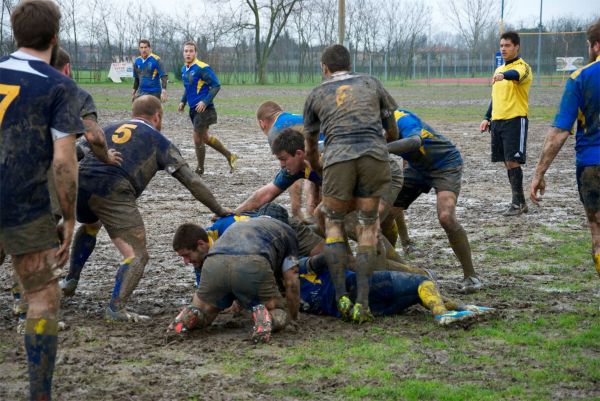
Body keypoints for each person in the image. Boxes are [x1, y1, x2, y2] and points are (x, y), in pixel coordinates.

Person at [59, 96, 232, 322]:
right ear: (157, 116)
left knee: (91, 224)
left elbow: (74, 152)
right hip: (113, 190)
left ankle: (71, 279)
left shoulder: (108, 129)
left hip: (78, 185)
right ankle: (116, 309)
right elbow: (192, 182)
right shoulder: (158, 140)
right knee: (137, 254)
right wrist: (219, 208)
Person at [0, 1, 84, 399]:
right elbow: (65, 162)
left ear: (15, 34)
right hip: (22, 203)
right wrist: (69, 216)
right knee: (41, 294)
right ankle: (39, 394)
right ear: (55, 38)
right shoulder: (57, 85)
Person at [303, 44, 399, 323]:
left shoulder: (317, 93)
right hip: (373, 156)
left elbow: (309, 147)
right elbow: (391, 130)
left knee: (332, 223)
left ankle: (342, 297)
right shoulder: (371, 82)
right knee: (368, 226)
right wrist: (377, 145)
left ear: (324, 68)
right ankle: (363, 304)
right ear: (350, 63)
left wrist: (321, 166)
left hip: (338, 159)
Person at [531, 19, 600, 283]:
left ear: (595, 45)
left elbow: (559, 133)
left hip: (592, 165)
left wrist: (539, 172)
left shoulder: (580, 78)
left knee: (597, 230)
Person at [388, 109, 482, 293]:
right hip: (417, 169)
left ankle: (471, 276)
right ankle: (385, 268)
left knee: (446, 217)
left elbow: (414, 142)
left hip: (445, 165)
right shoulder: (368, 124)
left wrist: (381, 148)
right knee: (385, 215)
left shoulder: (403, 118)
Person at [169, 218, 300, 343]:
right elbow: (291, 282)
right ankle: (268, 319)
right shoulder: (288, 233)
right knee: (278, 310)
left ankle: (189, 317)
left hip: (214, 262)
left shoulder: (239, 224)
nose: (185, 262)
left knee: (204, 309)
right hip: (252, 262)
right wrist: (293, 317)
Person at [297, 257, 492, 325]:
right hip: (359, 287)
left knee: (417, 294)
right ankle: (443, 315)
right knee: (421, 281)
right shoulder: (297, 265)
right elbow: (329, 257)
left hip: (355, 312)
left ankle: (464, 308)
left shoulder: (283, 291)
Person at [480, 31, 533, 216]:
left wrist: (505, 75)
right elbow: (495, 98)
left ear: (516, 47)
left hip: (515, 120)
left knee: (512, 161)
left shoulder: (522, 67)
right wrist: (487, 117)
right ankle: (520, 203)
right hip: (498, 122)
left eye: (507, 45)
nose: (503, 48)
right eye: (501, 45)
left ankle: (518, 204)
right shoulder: (498, 70)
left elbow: (515, 75)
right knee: (506, 162)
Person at [178, 41, 237, 175]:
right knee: (204, 137)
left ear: (195, 53)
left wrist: (204, 102)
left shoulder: (202, 67)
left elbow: (216, 85)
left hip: (205, 109)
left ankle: (200, 169)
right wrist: (182, 101)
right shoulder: (184, 69)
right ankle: (230, 156)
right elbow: (188, 88)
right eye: (186, 51)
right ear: (183, 53)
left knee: (197, 138)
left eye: (191, 51)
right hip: (193, 109)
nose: (188, 53)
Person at [256, 101, 321, 222]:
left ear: (262, 123)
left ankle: (307, 213)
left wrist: (296, 209)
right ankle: (313, 211)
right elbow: (308, 169)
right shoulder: (293, 119)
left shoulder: (275, 131)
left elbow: (293, 172)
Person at [234, 128, 321, 217]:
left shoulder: (323, 161)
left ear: (299, 154)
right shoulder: (296, 168)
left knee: (321, 212)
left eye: (283, 159)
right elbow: (264, 195)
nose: (282, 165)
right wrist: (234, 213)